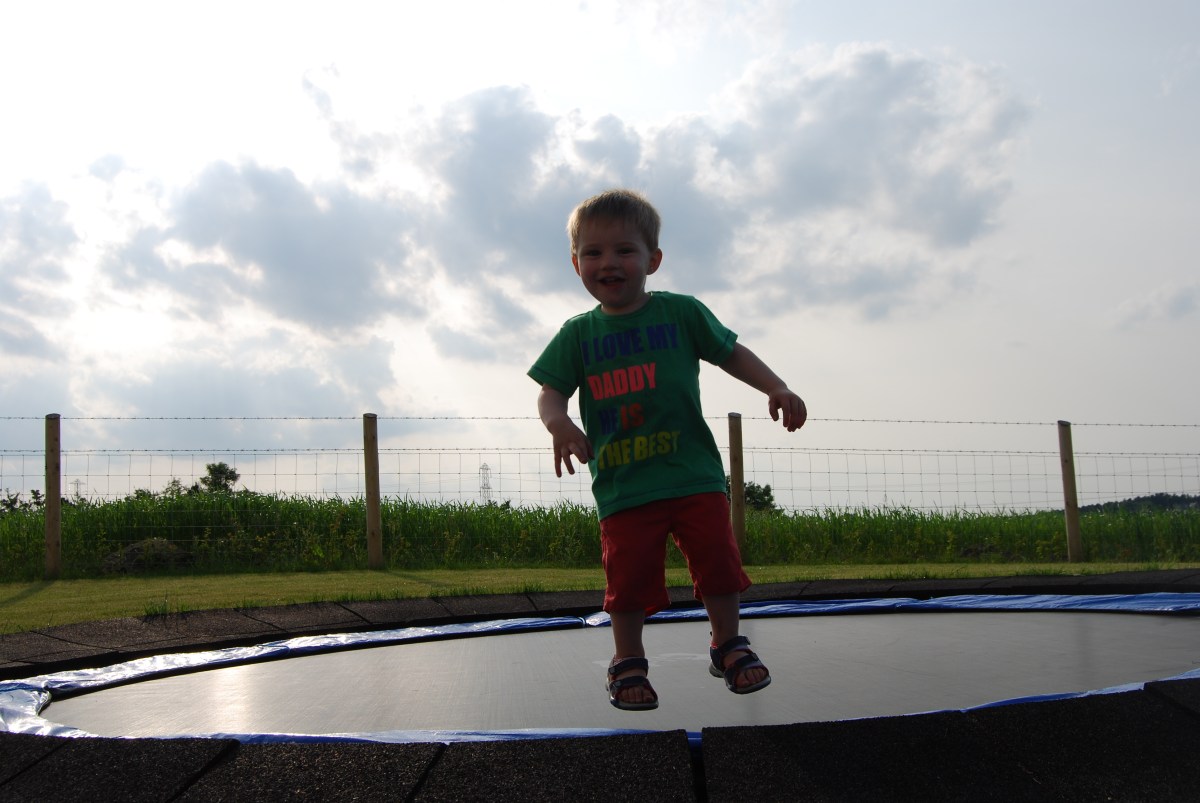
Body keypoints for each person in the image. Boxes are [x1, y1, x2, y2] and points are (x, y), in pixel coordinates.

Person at [528, 188, 807, 711]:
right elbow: (550, 391)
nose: (608, 263)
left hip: (693, 473)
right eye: (593, 252)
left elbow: (731, 353)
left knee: (718, 561)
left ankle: (727, 643)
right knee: (628, 578)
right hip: (624, 484)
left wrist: (776, 387)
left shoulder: (682, 313)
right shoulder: (578, 335)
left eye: (624, 250)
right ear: (576, 264)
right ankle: (627, 658)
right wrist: (559, 423)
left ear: (653, 260)